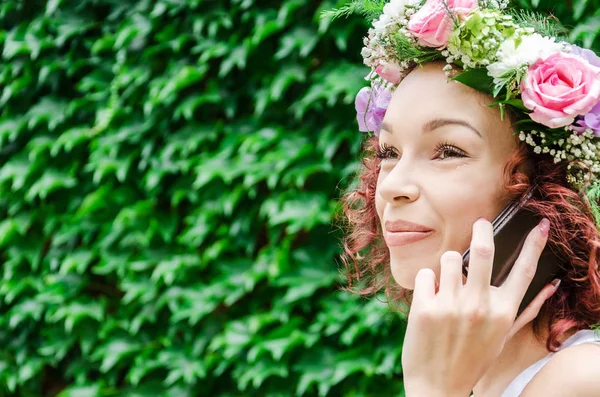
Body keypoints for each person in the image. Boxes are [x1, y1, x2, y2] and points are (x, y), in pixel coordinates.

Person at [335, 0, 600, 396]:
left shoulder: (580, 380)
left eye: (447, 151)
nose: (391, 186)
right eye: (389, 152)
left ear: (537, 192)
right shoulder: (477, 379)